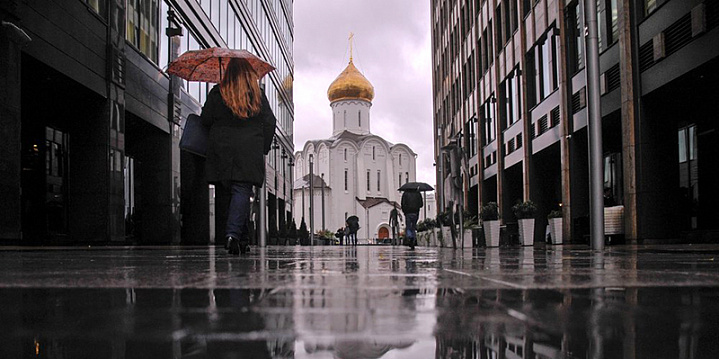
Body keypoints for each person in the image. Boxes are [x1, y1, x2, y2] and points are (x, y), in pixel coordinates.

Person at [202, 58, 276, 255]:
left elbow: (205, 119)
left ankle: (241, 239)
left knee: (230, 192)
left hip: (222, 148)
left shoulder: (218, 92)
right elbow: (270, 122)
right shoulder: (257, 94)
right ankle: (234, 235)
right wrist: (263, 147)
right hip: (248, 149)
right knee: (242, 190)